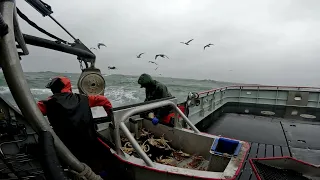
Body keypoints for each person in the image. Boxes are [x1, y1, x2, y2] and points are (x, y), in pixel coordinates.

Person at [37, 76, 113, 174]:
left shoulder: (47, 104)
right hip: (90, 143)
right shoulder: (84, 99)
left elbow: (32, 112)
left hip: (66, 147)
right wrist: (109, 113)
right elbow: (103, 100)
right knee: (97, 164)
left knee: (72, 168)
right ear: (69, 87)